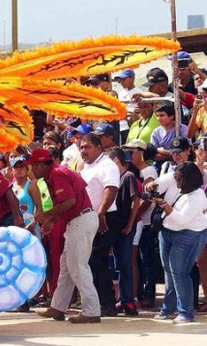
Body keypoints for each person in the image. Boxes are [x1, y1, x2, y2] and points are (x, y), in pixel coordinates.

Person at [29, 149, 101, 323]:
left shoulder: (57, 174)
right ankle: (58, 307)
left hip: (80, 220)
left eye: (33, 166)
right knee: (66, 267)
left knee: (77, 266)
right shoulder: (54, 174)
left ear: (40, 165)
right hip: (78, 220)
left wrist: (46, 216)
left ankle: (91, 311)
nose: (32, 170)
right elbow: (66, 203)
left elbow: (70, 202)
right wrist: (51, 219)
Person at [149, 162, 207, 323]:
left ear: (189, 180)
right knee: (169, 272)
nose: (176, 182)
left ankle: (186, 313)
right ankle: (168, 309)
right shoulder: (176, 179)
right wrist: (152, 185)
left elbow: (181, 220)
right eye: (176, 177)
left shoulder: (198, 197)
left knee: (180, 273)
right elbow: (163, 180)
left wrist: (162, 203)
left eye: (179, 179)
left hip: (188, 235)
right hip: (167, 232)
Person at [79, 133, 120, 317]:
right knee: (90, 261)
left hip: (105, 218)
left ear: (98, 147)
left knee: (98, 259)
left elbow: (110, 189)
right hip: (89, 218)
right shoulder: (86, 167)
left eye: (86, 147)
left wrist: (101, 212)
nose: (82, 151)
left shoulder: (107, 165)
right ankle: (97, 303)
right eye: (81, 147)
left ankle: (108, 304)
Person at [122, 139, 158, 308]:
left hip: (147, 221)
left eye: (133, 152)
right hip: (140, 221)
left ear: (141, 153)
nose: (130, 156)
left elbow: (149, 199)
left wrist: (134, 214)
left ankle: (146, 295)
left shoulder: (149, 170)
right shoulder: (135, 171)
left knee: (146, 260)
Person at [108, 147, 141, 315]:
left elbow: (136, 202)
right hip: (117, 227)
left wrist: (129, 224)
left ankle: (128, 300)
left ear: (115, 161)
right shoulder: (115, 178)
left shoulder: (128, 177)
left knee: (126, 264)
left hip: (126, 227)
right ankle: (123, 298)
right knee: (119, 264)